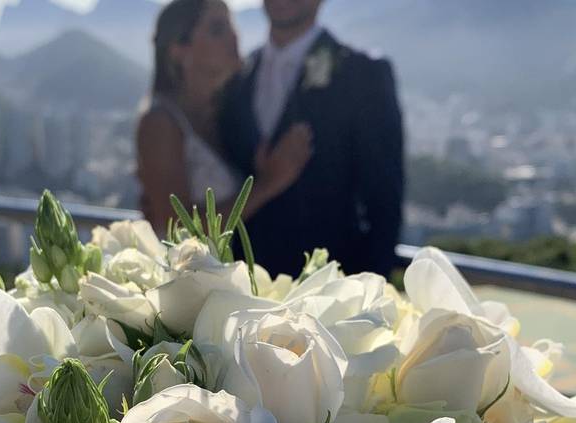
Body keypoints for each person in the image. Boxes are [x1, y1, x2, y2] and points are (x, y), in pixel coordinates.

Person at [219, 0, 405, 276]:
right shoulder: (237, 74)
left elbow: (384, 204)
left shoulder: (364, 74)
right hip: (235, 285)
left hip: (323, 290)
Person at [137, 0, 313, 232]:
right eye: (217, 29)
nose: (234, 37)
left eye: (232, 26)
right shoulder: (159, 123)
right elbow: (173, 226)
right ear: (179, 51)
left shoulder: (227, 111)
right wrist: (268, 183)